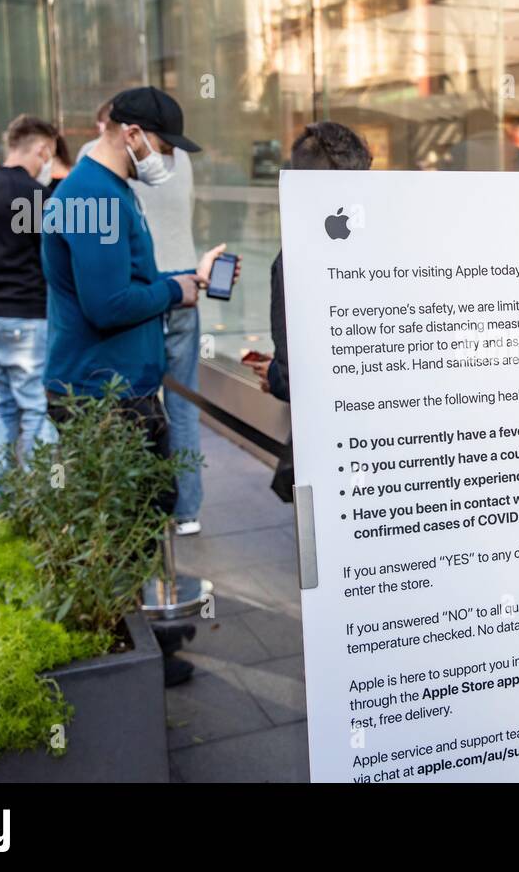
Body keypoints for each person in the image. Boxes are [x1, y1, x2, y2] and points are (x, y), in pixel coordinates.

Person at [43, 85, 233, 688]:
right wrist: (176, 292)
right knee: (118, 533)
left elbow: (129, 279)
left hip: (115, 385)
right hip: (103, 393)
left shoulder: (107, 191)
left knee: (132, 525)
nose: (168, 159)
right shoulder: (93, 198)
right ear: (130, 134)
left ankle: (132, 654)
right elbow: (107, 304)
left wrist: (186, 277)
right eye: (163, 145)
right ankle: (121, 667)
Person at [248, 123, 372, 500]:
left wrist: (273, 372)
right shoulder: (385, 246)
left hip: (336, 439)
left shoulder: (295, 260)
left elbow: (294, 377)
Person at [0, 115, 61, 486]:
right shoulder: (36, 196)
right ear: (42, 149)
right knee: (37, 410)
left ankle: (5, 499)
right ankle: (43, 501)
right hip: (30, 317)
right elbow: (53, 258)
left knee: (3, 407)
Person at [130, 125, 205, 534]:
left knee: (137, 399)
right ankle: (187, 511)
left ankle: (146, 504)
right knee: (182, 401)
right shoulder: (183, 160)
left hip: (146, 286)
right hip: (187, 281)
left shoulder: (103, 155)